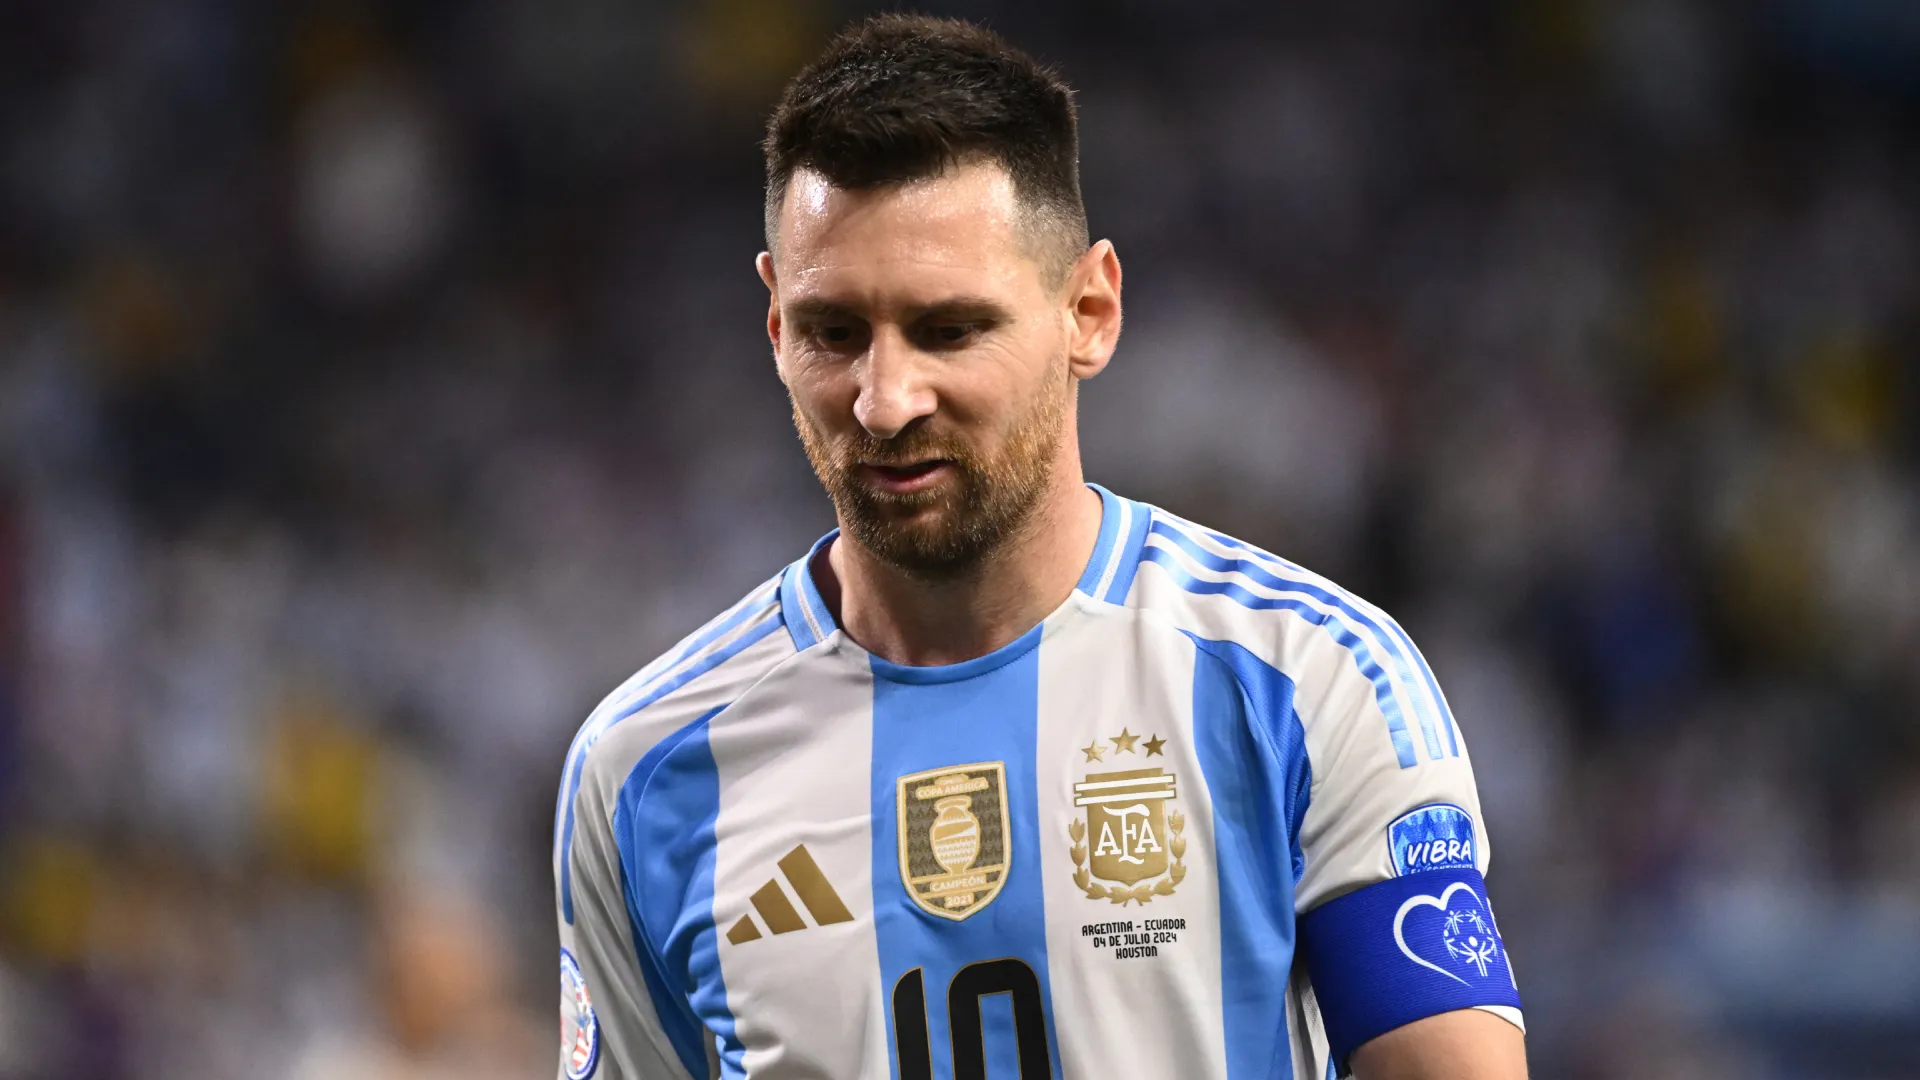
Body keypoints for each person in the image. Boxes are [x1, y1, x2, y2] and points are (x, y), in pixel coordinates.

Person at [553, 14, 1527, 1080]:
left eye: (949, 329)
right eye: (834, 332)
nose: (884, 401)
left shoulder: (1306, 681)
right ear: (775, 327)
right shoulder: (643, 771)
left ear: (1090, 311)